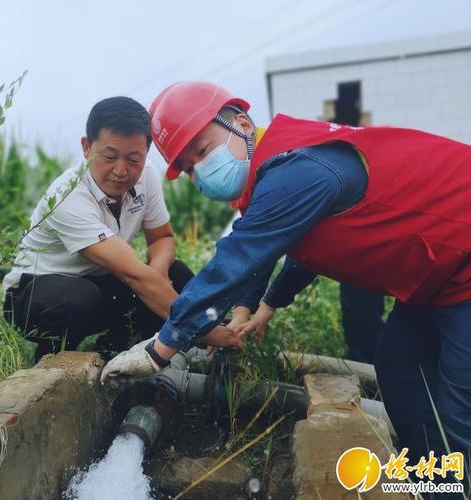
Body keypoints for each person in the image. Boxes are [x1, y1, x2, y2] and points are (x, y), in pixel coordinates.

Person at [102, 81, 471, 465]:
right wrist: (254, 310)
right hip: (439, 281)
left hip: (463, 264)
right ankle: (436, 479)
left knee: (460, 410)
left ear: (242, 124)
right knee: (399, 369)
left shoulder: (297, 168)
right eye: (191, 169)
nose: (201, 171)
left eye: (203, 151)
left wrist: (160, 349)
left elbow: (241, 256)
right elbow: (301, 250)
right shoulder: (275, 173)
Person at [3, 96, 241, 362]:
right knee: (80, 298)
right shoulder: (67, 197)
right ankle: (51, 356)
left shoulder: (147, 176)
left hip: (99, 282)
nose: (120, 170)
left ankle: (114, 350)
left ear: (145, 155)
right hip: (35, 293)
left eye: (133, 159)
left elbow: (162, 238)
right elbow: (133, 275)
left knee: (176, 274)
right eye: (109, 156)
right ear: (86, 147)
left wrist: (160, 268)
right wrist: (202, 328)